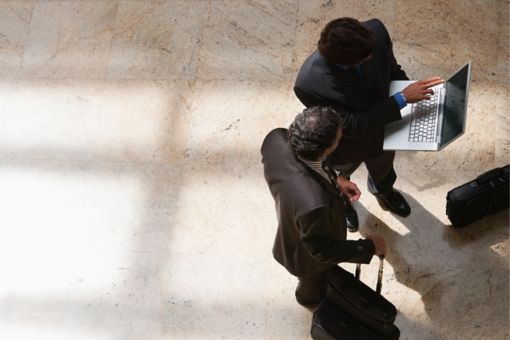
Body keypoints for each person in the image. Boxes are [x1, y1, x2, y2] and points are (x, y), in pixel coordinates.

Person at [294, 17, 444, 232]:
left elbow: (392, 71)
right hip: (346, 146)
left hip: (384, 132)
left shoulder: (376, 32)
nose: (372, 56)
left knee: (383, 168)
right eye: (365, 58)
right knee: (339, 179)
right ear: (343, 63)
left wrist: (412, 92)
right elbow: (352, 126)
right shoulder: (309, 84)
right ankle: (344, 203)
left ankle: (383, 191)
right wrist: (401, 100)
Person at [261, 106, 385, 310]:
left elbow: (306, 169)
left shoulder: (275, 139)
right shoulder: (313, 205)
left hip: (293, 213)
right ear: (327, 148)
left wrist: (334, 181)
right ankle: (308, 299)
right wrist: (369, 247)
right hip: (303, 257)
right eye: (338, 137)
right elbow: (322, 250)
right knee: (313, 283)